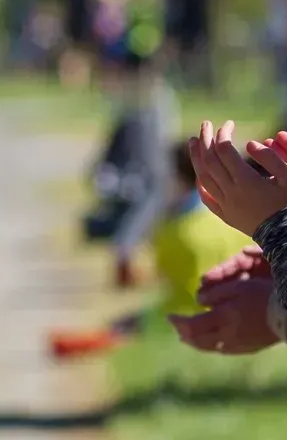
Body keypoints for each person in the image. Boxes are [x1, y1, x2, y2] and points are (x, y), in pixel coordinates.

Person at [49, 142, 250, 359]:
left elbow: (181, 288)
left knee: (121, 327)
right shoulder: (233, 216)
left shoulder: (176, 231)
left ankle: (73, 346)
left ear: (179, 178)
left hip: (192, 316)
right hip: (243, 308)